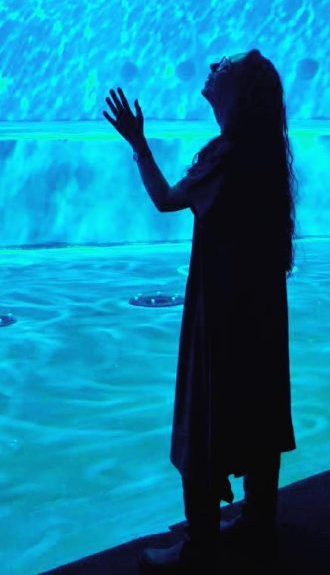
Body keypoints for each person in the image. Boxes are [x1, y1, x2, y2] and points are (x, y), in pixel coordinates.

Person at [103, 50, 297, 573]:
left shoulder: (227, 156)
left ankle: (201, 546)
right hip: (258, 309)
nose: (215, 65)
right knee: (258, 405)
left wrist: (138, 143)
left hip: (221, 312)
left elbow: (166, 199)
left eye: (226, 66)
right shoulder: (264, 155)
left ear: (237, 97)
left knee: (204, 411)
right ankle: (259, 520)